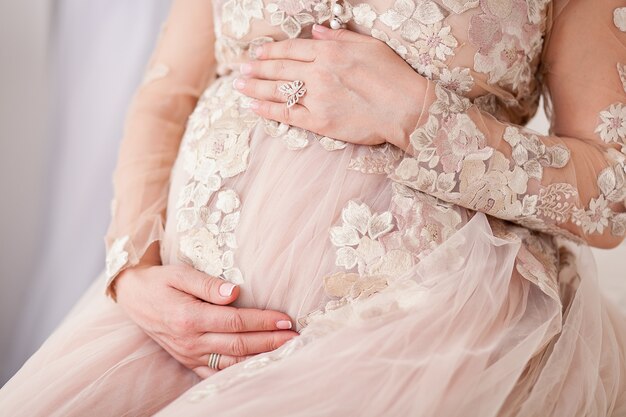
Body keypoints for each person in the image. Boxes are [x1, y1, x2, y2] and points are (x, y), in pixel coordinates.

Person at [1, 0, 625, 415]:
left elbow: (608, 192)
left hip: (427, 341)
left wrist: (416, 117)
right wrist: (132, 271)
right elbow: (166, 94)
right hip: (175, 329)